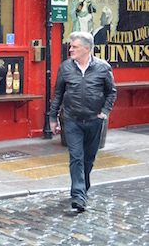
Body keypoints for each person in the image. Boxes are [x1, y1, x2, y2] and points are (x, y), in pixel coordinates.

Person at [48, 31, 117, 213]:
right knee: (76, 157)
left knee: (88, 159)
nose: (70, 49)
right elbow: (58, 94)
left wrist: (105, 112)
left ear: (87, 49)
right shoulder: (65, 68)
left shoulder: (103, 68)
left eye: (74, 47)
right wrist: (52, 118)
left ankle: (83, 184)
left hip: (95, 120)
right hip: (72, 120)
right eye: (70, 46)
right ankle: (78, 195)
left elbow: (112, 92)